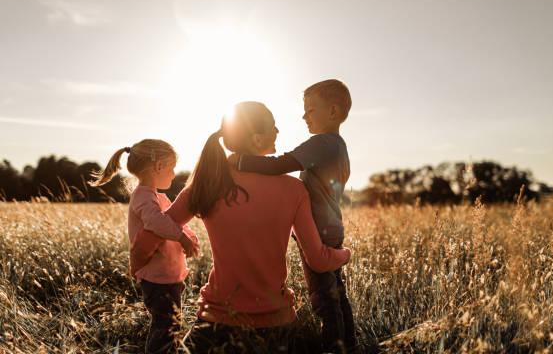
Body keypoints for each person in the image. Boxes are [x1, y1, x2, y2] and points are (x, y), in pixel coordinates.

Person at [133, 101, 351, 353]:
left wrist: (137, 264)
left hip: (215, 323)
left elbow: (151, 235)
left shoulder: (206, 185)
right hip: (278, 326)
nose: (278, 131)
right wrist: (346, 254)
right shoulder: (294, 189)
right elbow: (319, 260)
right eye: (272, 126)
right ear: (257, 139)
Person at [230, 79, 356, 353]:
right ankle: (350, 346)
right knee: (337, 296)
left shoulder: (322, 143)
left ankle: (334, 348)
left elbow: (281, 164)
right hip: (331, 229)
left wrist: (240, 161)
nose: (304, 115)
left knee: (325, 301)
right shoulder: (338, 145)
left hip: (319, 232)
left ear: (333, 112)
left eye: (310, 110)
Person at [90, 139, 200, 354]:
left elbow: (172, 221)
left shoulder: (156, 196)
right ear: (158, 166)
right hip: (157, 279)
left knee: (172, 326)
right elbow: (156, 222)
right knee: (165, 328)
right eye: (172, 166)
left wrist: (188, 235)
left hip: (168, 276)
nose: (174, 173)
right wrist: (182, 238)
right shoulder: (143, 196)